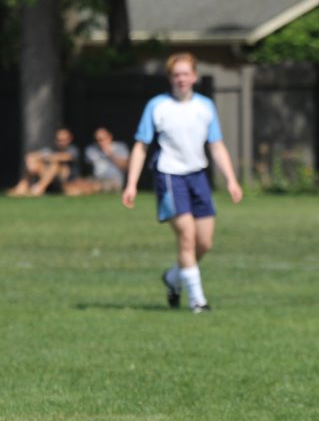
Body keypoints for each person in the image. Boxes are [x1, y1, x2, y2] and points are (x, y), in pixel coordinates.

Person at [122, 52, 243, 313]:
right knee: (187, 237)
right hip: (169, 177)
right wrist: (131, 184)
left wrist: (231, 180)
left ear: (195, 76)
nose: (182, 79)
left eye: (186, 73)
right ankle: (197, 301)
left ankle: (173, 278)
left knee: (204, 243)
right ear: (170, 78)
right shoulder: (157, 106)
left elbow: (217, 145)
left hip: (197, 177)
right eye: (176, 74)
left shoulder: (205, 107)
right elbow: (141, 147)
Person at [6, 127, 79, 196]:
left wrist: (46, 157)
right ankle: (23, 186)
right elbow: (30, 156)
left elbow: (63, 157)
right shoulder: (51, 150)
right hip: (49, 180)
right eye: (59, 140)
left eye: (64, 140)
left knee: (56, 164)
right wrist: (32, 163)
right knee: (36, 163)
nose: (61, 143)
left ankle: (38, 188)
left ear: (70, 139)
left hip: (66, 182)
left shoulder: (73, 150)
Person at [64, 127, 129, 196]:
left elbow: (125, 166)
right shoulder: (91, 149)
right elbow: (88, 169)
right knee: (74, 184)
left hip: (113, 180)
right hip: (96, 179)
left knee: (94, 186)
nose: (100, 142)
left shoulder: (120, 147)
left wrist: (110, 154)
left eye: (102, 139)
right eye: (97, 140)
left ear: (110, 137)